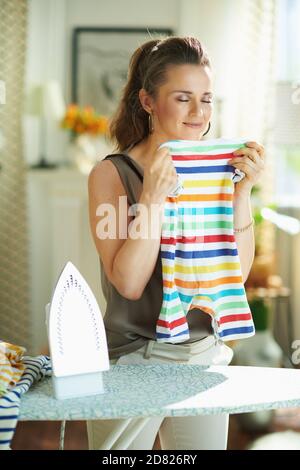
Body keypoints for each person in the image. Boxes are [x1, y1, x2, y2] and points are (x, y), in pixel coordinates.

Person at [87, 35, 265, 450]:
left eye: (206, 98)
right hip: (132, 359)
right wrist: (152, 197)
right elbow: (128, 284)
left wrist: (241, 196)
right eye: (183, 98)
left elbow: (233, 276)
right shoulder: (113, 174)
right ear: (148, 101)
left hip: (202, 354)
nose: (199, 113)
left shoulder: (220, 167)